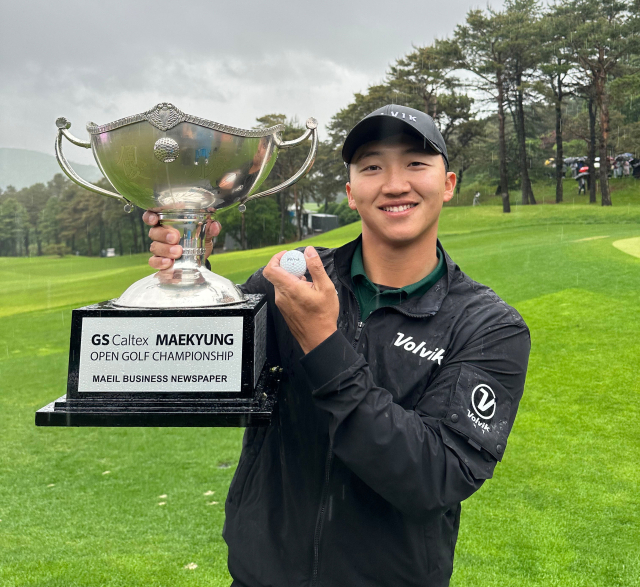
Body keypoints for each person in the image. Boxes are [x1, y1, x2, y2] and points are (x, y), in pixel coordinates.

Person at [144, 104, 530, 587]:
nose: (393, 184)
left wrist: (324, 342)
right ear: (351, 193)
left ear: (447, 184)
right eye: (372, 167)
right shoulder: (287, 283)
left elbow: (434, 477)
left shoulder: (488, 326)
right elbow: (195, 374)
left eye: (415, 163)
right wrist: (188, 272)